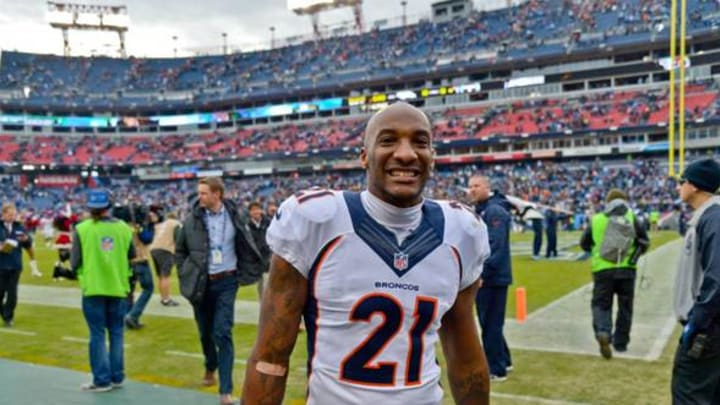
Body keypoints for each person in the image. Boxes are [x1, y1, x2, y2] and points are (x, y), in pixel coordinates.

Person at [243, 102, 491, 404]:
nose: (405, 153)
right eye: (388, 140)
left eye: (420, 142)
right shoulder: (316, 220)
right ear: (364, 156)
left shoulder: (461, 231)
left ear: (433, 157)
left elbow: (466, 360)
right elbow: (270, 357)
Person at [175, 177, 263, 405]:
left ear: (217, 194)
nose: (199, 197)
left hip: (227, 281)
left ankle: (226, 390)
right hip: (201, 284)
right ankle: (209, 365)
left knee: (223, 332)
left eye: (204, 193)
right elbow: (180, 250)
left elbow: (248, 242)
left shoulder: (236, 216)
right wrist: (185, 272)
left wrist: (248, 268)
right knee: (206, 333)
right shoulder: (191, 220)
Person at [70, 189, 134, 392]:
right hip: (118, 286)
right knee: (117, 333)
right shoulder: (124, 228)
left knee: (97, 334)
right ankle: (117, 376)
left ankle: (101, 380)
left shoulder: (82, 229)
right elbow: (131, 254)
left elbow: (74, 263)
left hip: (94, 288)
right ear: (109, 206)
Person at [672, 158, 720, 404]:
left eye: (682, 181)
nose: (678, 186)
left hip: (708, 332)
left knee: (690, 396)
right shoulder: (708, 217)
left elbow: (718, 277)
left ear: (695, 185)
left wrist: (697, 323)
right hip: (710, 329)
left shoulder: (713, 218)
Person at [580, 188, 649, 359]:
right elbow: (644, 241)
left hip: (603, 269)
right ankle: (621, 343)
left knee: (601, 304)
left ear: (607, 201)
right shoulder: (632, 217)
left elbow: (584, 243)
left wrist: (596, 250)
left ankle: (603, 332)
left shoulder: (596, 219)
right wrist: (633, 258)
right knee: (625, 307)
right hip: (627, 270)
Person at [467, 175, 513, 381]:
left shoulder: (494, 210)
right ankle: (505, 360)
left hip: (493, 278)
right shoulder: (483, 209)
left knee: (491, 323)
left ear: (487, 187)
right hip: (493, 276)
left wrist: (482, 273)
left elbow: (496, 246)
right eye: (470, 186)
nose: (472, 190)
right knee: (490, 322)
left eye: (477, 185)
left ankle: (496, 368)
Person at [0, 203, 39, 327]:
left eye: (13, 215)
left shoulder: (20, 227)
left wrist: (26, 239)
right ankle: (5, 314)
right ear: (3, 214)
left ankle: (8, 318)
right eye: (9, 214)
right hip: (1, 265)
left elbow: (28, 245)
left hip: (15, 265)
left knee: (12, 295)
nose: (12, 217)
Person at [124, 209, 156, 330]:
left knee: (129, 291)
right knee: (148, 288)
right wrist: (151, 225)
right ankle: (133, 315)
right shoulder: (138, 227)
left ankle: (128, 317)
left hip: (127, 262)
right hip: (140, 260)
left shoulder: (122, 227)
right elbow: (147, 238)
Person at [149, 211, 182, 306]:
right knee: (165, 276)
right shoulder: (176, 224)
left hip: (154, 249)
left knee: (160, 276)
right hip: (166, 250)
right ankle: (166, 300)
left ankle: (163, 297)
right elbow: (179, 239)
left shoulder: (161, 224)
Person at [247, 201, 271, 299]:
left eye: (257, 209)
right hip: (256, 259)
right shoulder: (247, 226)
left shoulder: (268, 222)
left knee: (271, 283)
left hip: (269, 256)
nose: (255, 212)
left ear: (261, 210)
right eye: (253, 210)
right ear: (250, 212)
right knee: (261, 285)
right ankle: (263, 306)